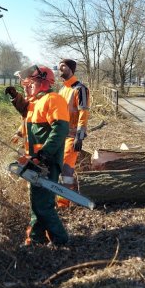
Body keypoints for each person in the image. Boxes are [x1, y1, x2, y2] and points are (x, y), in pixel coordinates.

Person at [5, 65, 70, 246]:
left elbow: (61, 128)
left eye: (31, 84)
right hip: (35, 162)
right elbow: (25, 109)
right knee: (37, 203)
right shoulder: (35, 103)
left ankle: (61, 240)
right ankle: (36, 238)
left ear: (44, 82)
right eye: (26, 85)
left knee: (43, 205)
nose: (27, 88)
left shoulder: (53, 99)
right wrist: (15, 96)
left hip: (46, 162)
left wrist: (44, 154)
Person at [56, 59, 90, 208]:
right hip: (59, 136)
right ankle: (60, 199)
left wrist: (80, 136)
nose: (60, 69)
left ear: (70, 69)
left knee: (66, 170)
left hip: (72, 137)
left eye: (63, 66)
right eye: (59, 67)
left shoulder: (80, 88)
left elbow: (84, 113)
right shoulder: (62, 90)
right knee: (57, 168)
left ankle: (64, 204)